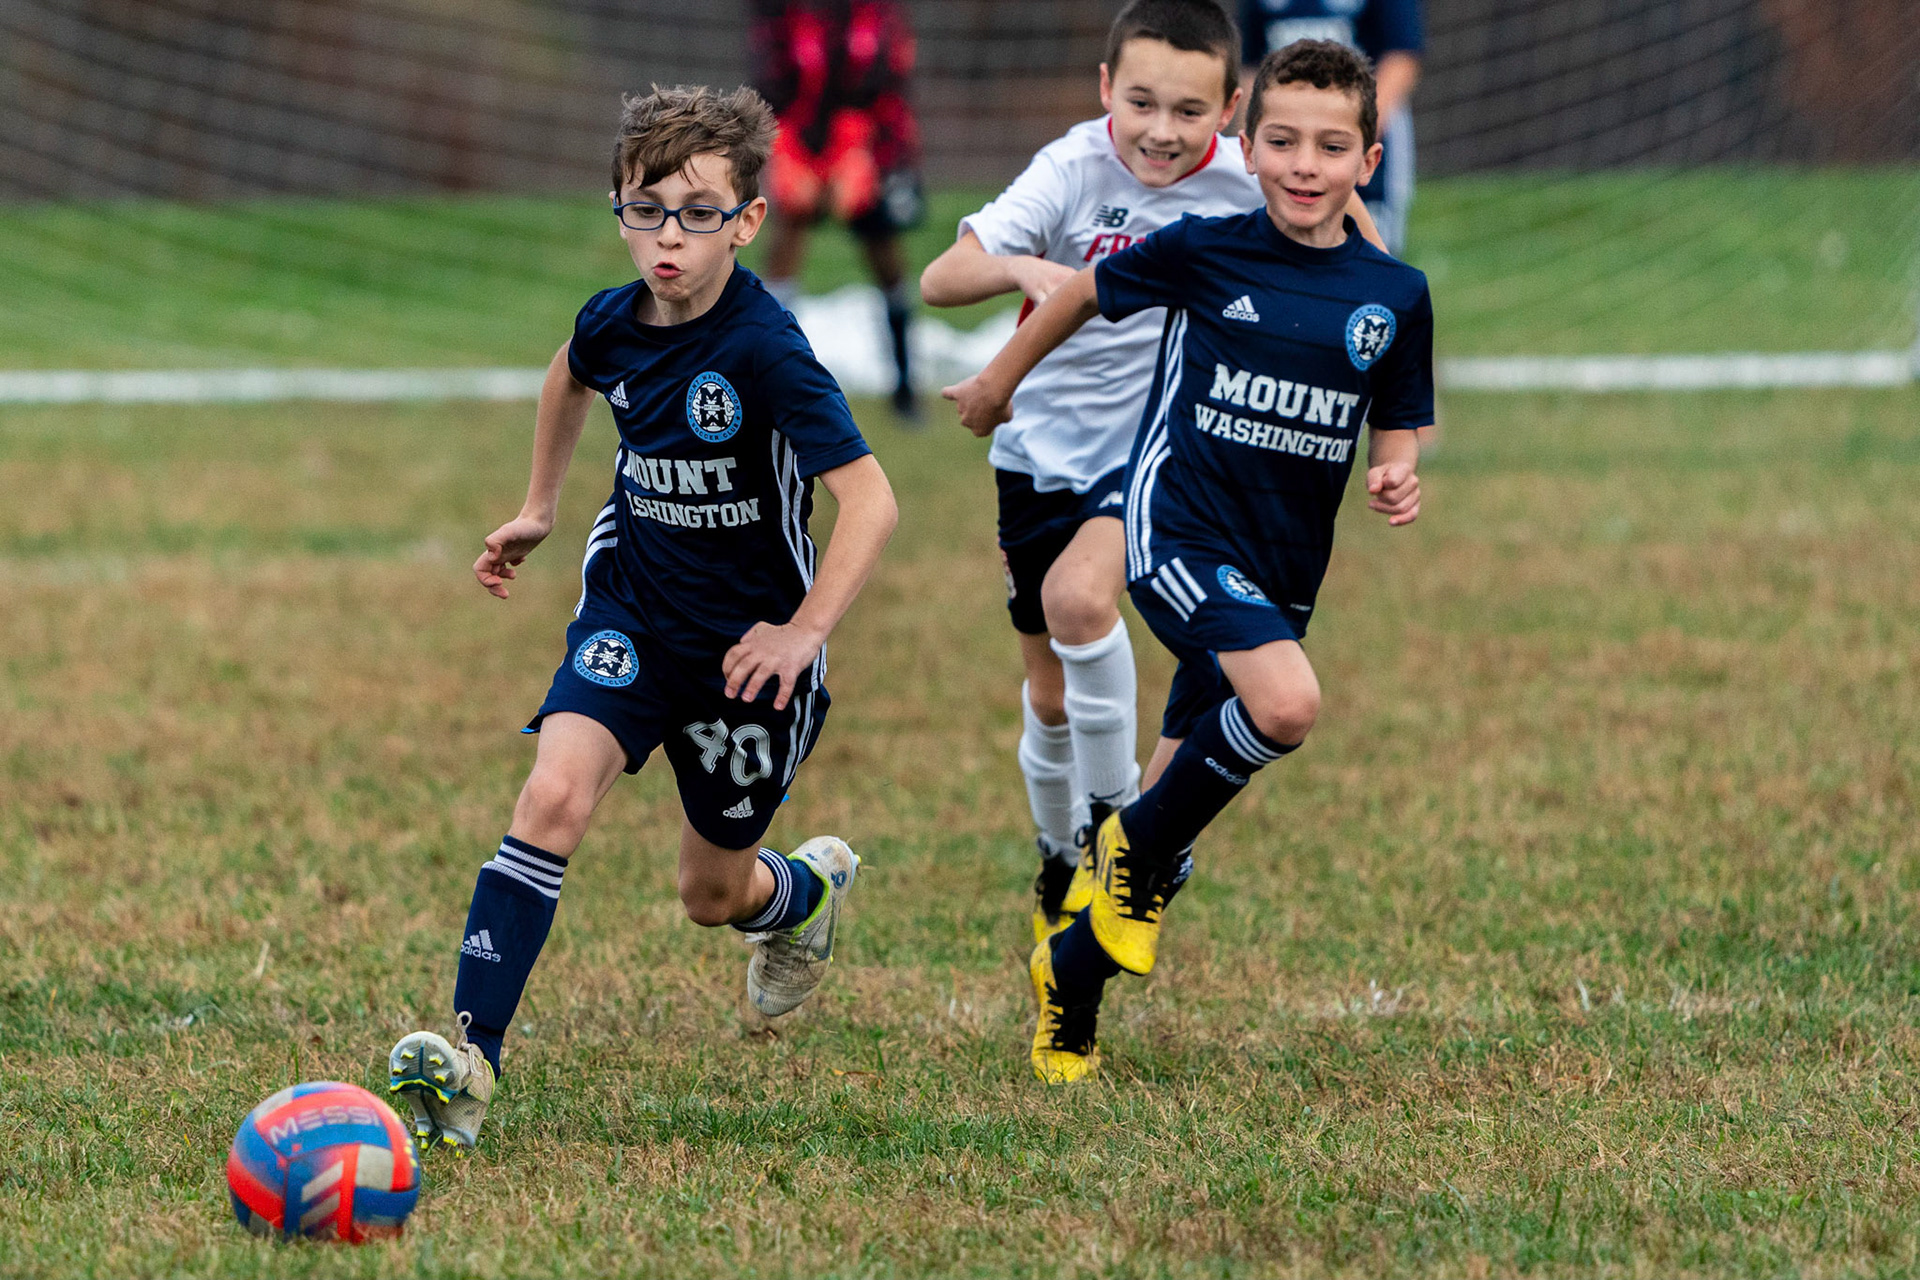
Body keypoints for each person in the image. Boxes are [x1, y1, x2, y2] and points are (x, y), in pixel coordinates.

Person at [388, 84, 899, 1150]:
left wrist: (803, 630)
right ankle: (471, 1061)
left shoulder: (767, 349)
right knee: (551, 795)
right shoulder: (612, 321)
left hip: (748, 657)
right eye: (645, 207)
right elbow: (568, 378)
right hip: (629, 609)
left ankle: (799, 895)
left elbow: (873, 497)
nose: (669, 235)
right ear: (617, 206)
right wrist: (539, 505)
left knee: (711, 892)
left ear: (749, 221)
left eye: (699, 211)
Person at [946, 40, 1432, 1083]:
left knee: (1193, 771)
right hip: (1177, 526)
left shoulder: (1394, 292)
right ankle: (1120, 846)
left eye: (1332, 145)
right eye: (1284, 141)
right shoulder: (1206, 249)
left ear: (1369, 157)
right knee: (1287, 706)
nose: (1306, 163)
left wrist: (1396, 474)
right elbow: (1077, 294)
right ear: (1246, 149)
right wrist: (997, 380)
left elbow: (1398, 420)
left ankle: (1071, 974)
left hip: (1283, 563)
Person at [751, 0, 925, 419]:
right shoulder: (777, 12)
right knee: (784, 244)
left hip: (864, 139)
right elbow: (769, 76)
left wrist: (862, 150)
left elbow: (889, 74)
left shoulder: (876, 12)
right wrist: (790, 147)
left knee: (884, 254)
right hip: (798, 133)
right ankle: (774, 381)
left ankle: (905, 387)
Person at [1241, 0, 1422, 254]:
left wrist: (1355, 135)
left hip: (1362, 143)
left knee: (1370, 254)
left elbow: (1401, 56)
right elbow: (1252, 66)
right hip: (1285, 149)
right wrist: (1260, 139)